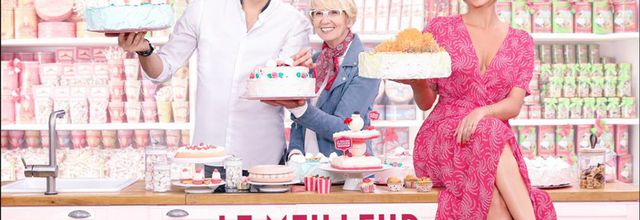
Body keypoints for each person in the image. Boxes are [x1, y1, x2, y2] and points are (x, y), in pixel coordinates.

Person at [395, 0, 557, 219]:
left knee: (495, 198)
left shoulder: (521, 41)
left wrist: (482, 112)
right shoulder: (439, 29)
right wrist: (416, 82)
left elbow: (514, 105)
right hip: (444, 135)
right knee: (490, 131)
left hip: (492, 141)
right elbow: (426, 102)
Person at [115, 0, 313, 169]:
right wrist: (144, 50)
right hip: (207, 158)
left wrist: (291, 78)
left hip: (264, 160)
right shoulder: (203, 9)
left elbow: (285, 86)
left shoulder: (294, 22)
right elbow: (162, 70)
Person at [261, 0, 380, 159]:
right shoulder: (317, 61)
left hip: (345, 173)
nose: (325, 20)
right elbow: (300, 122)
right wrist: (295, 153)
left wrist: (299, 108)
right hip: (308, 170)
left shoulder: (367, 64)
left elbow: (345, 127)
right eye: (318, 13)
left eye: (334, 12)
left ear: (349, 19)